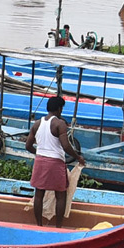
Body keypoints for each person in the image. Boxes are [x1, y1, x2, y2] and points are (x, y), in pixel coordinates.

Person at [24, 96, 85, 228]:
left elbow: (28, 146)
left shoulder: (37, 124)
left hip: (40, 161)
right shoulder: (59, 124)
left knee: (39, 194)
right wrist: (78, 157)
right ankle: (58, 227)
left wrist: (40, 153)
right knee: (60, 195)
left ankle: (39, 225)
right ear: (59, 108)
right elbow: (66, 146)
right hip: (55, 163)